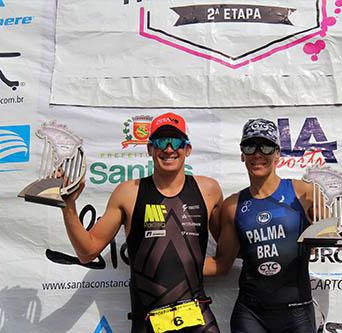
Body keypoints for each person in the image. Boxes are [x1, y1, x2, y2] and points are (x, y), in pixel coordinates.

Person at [61, 112, 223, 333]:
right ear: (149, 149)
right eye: (160, 142)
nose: (168, 148)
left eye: (175, 141)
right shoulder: (128, 193)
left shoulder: (208, 190)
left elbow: (227, 256)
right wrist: (68, 206)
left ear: (187, 149)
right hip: (149, 322)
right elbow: (87, 252)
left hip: (197, 321)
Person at [204, 118, 342, 333]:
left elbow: (338, 242)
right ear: (242, 154)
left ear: (277, 154)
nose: (257, 154)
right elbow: (223, 263)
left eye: (265, 146)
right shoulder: (232, 206)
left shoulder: (305, 193)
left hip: (296, 314)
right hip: (250, 315)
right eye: (250, 146)